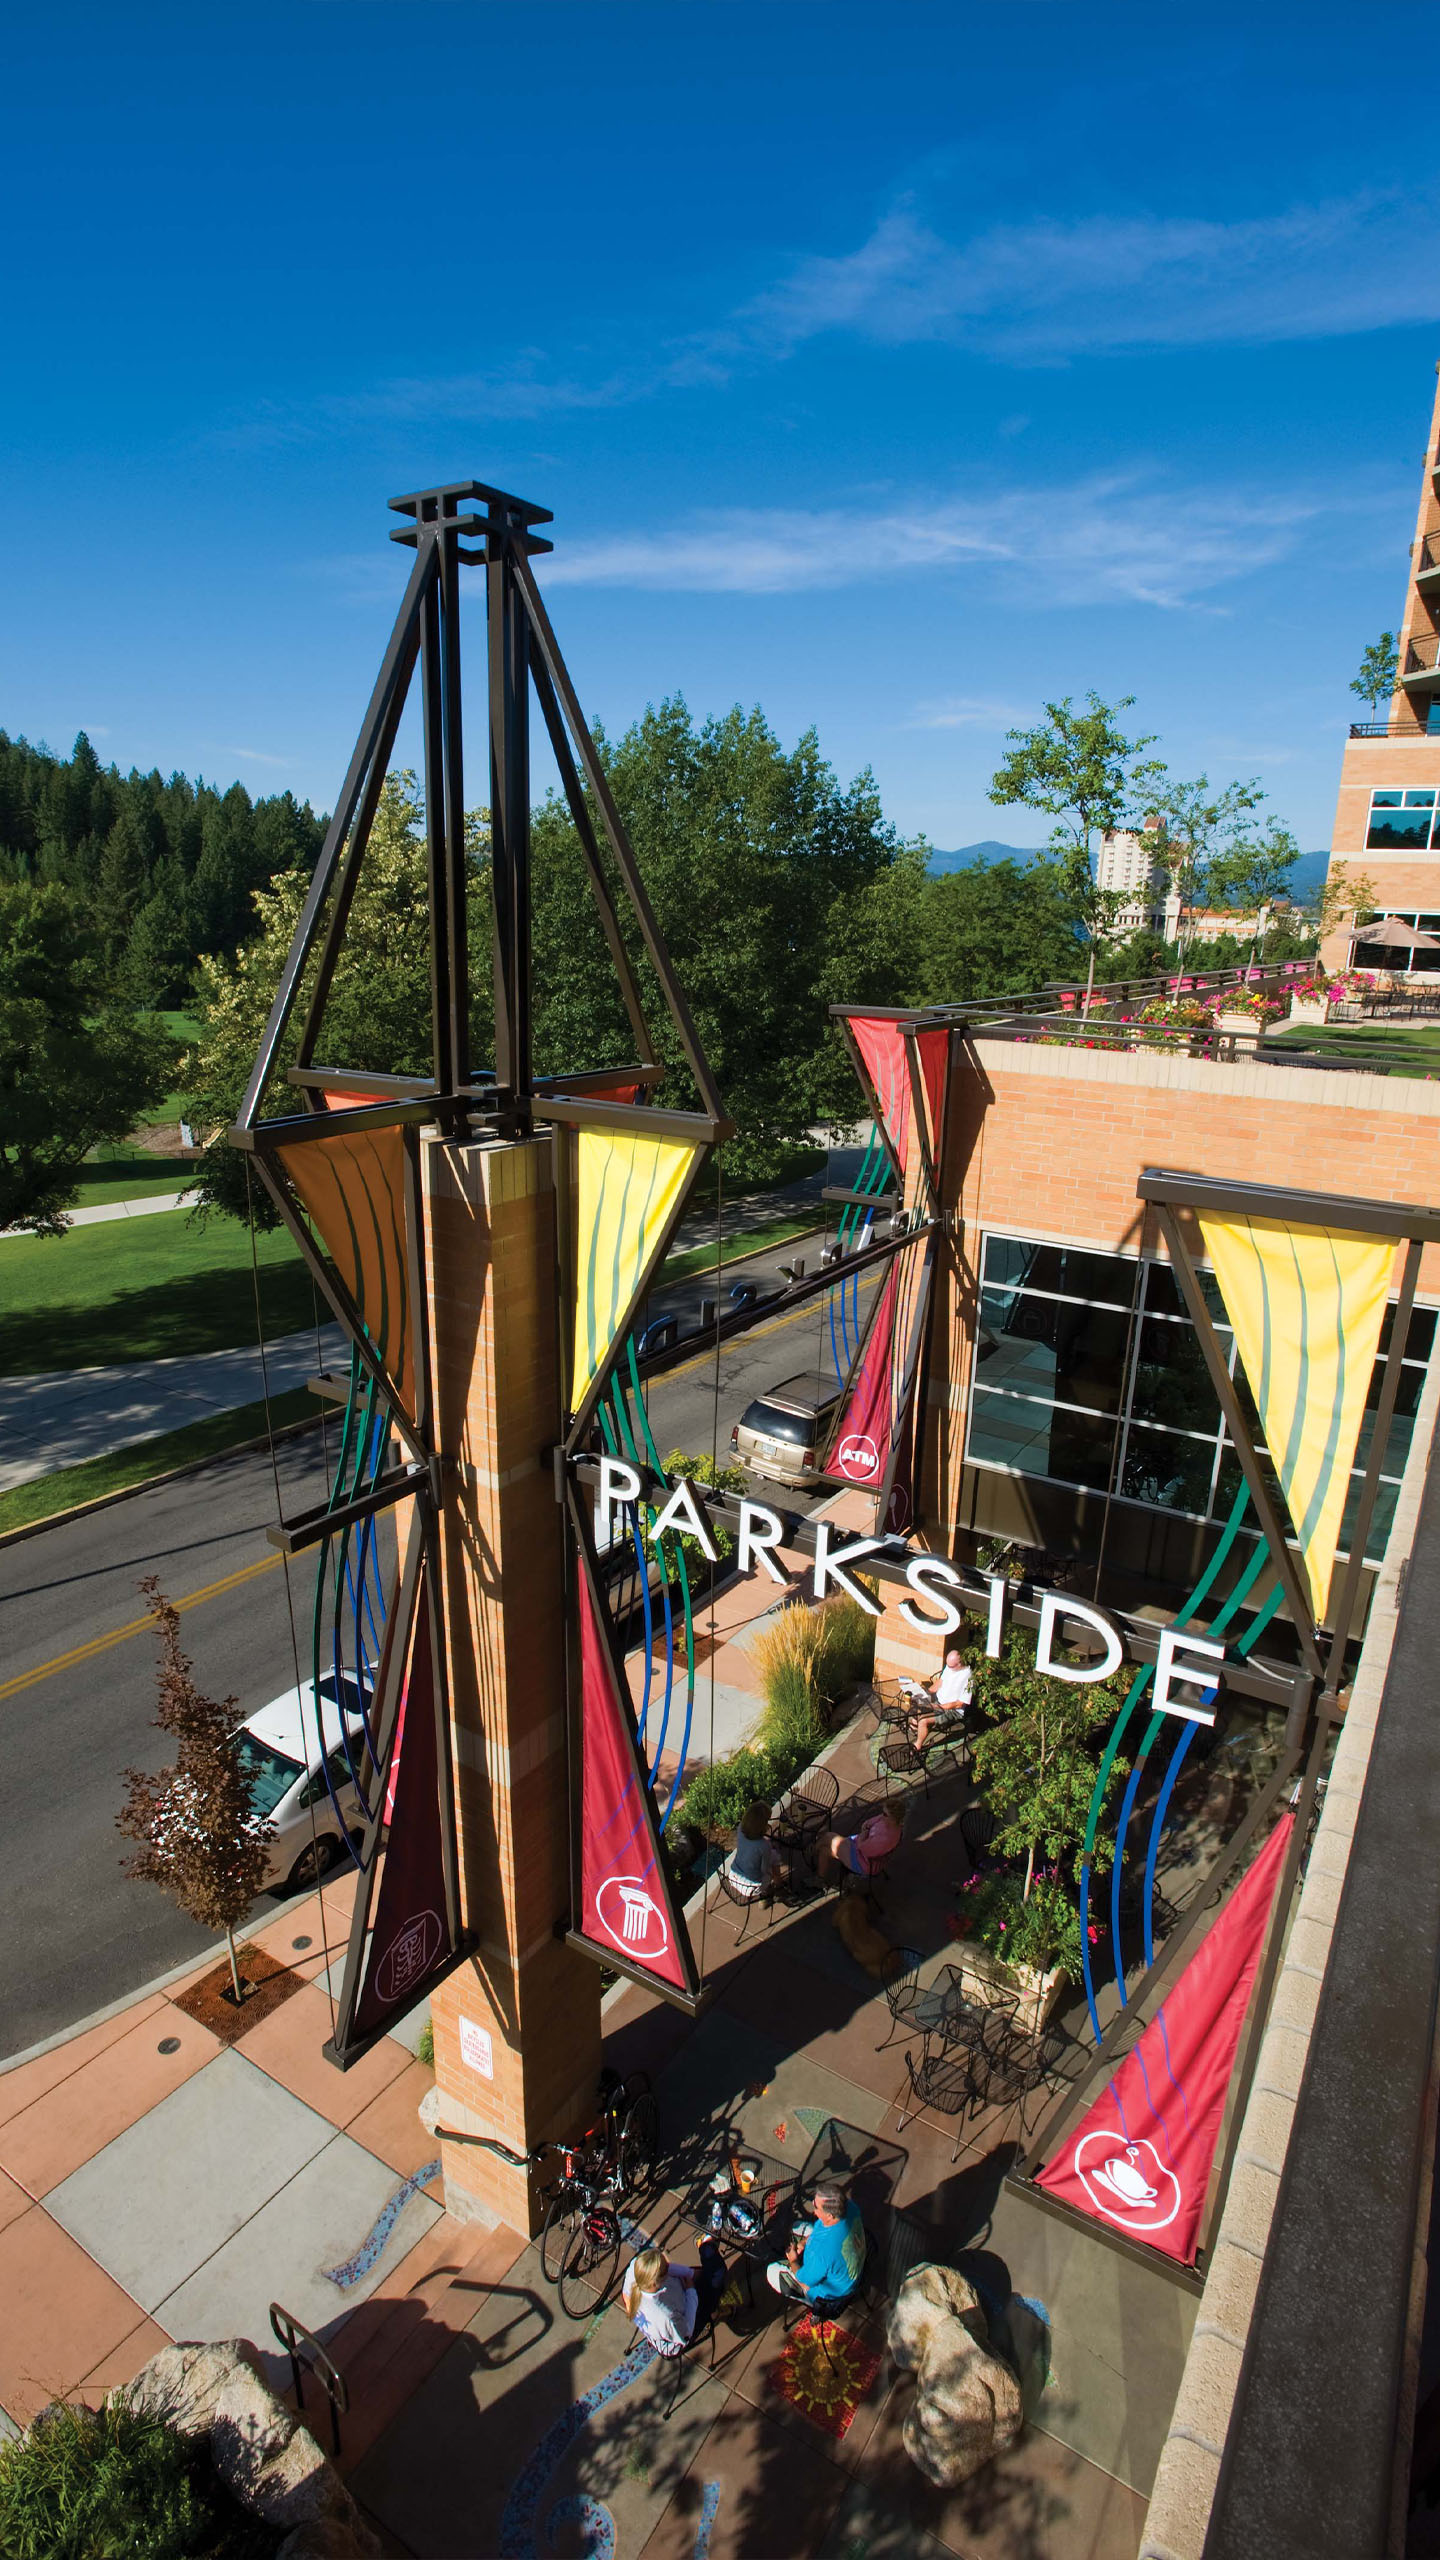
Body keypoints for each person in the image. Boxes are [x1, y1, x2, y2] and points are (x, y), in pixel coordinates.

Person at [765, 2179, 866, 2306]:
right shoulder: (851, 2207)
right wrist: (804, 2242)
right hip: (848, 2274)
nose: (813, 2207)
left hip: (830, 2297)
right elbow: (821, 2231)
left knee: (771, 2271)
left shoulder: (821, 2252)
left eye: (816, 2206)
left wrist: (793, 2260)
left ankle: (812, 2304)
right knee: (797, 2226)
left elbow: (804, 2281)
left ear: (830, 2215)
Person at [621, 2241, 728, 2356]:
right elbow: (687, 2333)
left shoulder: (636, 2267)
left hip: (679, 2296)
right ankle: (715, 2311)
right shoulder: (666, 2316)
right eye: (666, 2268)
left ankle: (706, 2246)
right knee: (718, 2275)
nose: (668, 2264)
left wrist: (690, 2274)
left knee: (713, 2272)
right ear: (657, 2282)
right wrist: (691, 2291)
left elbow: (667, 2269)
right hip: (684, 2325)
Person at [824, 1798, 902, 1887]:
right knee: (825, 1847)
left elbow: (864, 1849)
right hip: (860, 1848)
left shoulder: (885, 1838)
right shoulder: (889, 1823)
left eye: (885, 1814)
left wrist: (863, 1835)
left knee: (828, 1839)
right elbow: (867, 1823)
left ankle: (818, 1874)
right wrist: (865, 1832)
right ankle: (819, 1878)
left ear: (893, 1818)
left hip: (863, 1862)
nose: (881, 1815)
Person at [912, 1648, 973, 1753]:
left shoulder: (969, 1677)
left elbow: (959, 1704)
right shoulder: (950, 1667)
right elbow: (940, 1682)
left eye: (951, 1666)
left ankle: (917, 1747)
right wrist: (926, 1692)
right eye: (947, 1665)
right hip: (938, 1702)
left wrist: (940, 1707)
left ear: (959, 1663)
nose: (948, 1668)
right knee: (916, 1706)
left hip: (952, 1711)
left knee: (923, 1721)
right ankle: (917, 1728)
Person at [725, 1801, 787, 1900]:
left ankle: (767, 1893)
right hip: (752, 1887)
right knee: (775, 1858)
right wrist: (772, 1851)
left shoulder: (740, 1828)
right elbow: (764, 1870)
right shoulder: (763, 1846)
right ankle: (777, 1888)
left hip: (733, 1876)